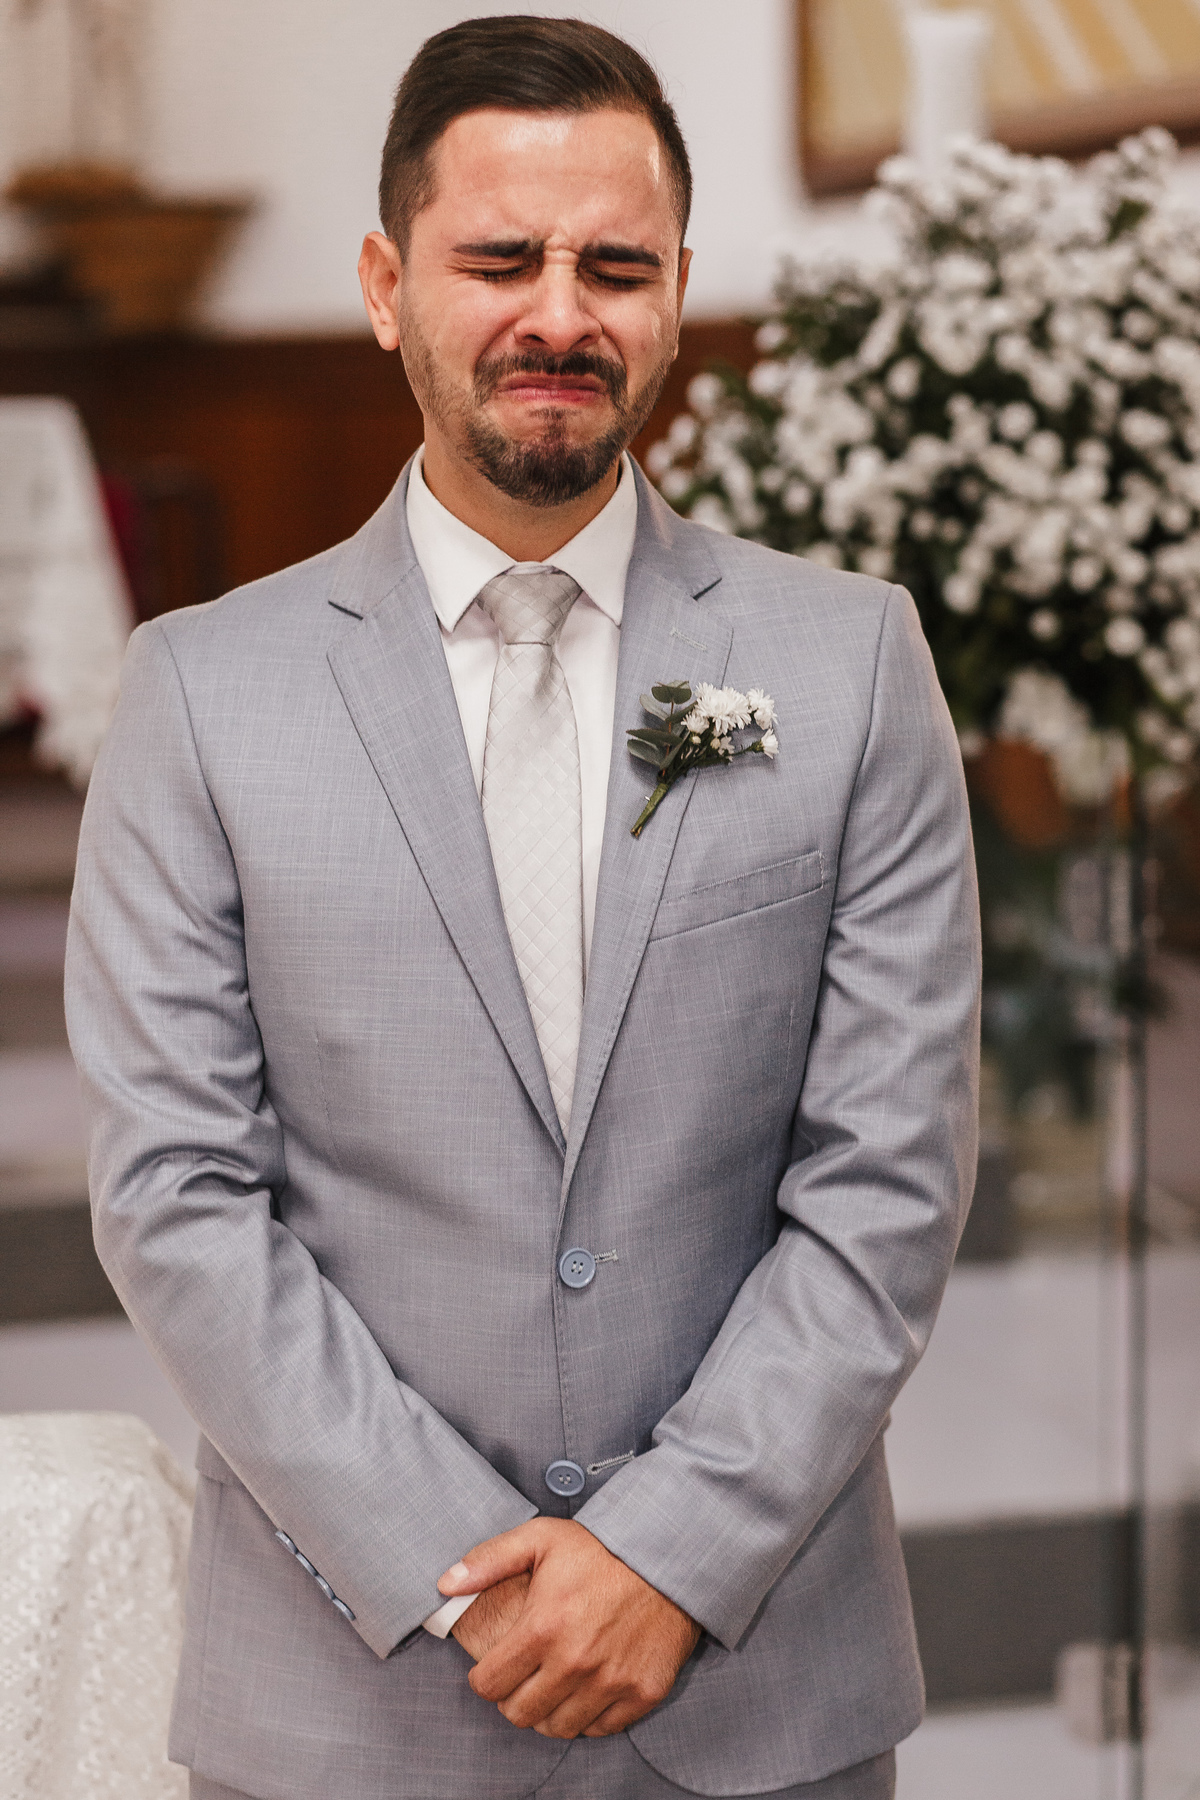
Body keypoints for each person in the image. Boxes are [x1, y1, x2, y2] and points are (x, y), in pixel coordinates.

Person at [65, 17, 980, 1800]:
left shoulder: (851, 662)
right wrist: (466, 1572)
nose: (559, 315)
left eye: (614, 268)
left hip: (760, 1699)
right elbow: (179, 1197)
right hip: (347, 1707)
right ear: (385, 286)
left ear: (677, 293)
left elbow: (887, 1176)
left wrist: (670, 1557)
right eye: (499, 260)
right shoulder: (199, 693)